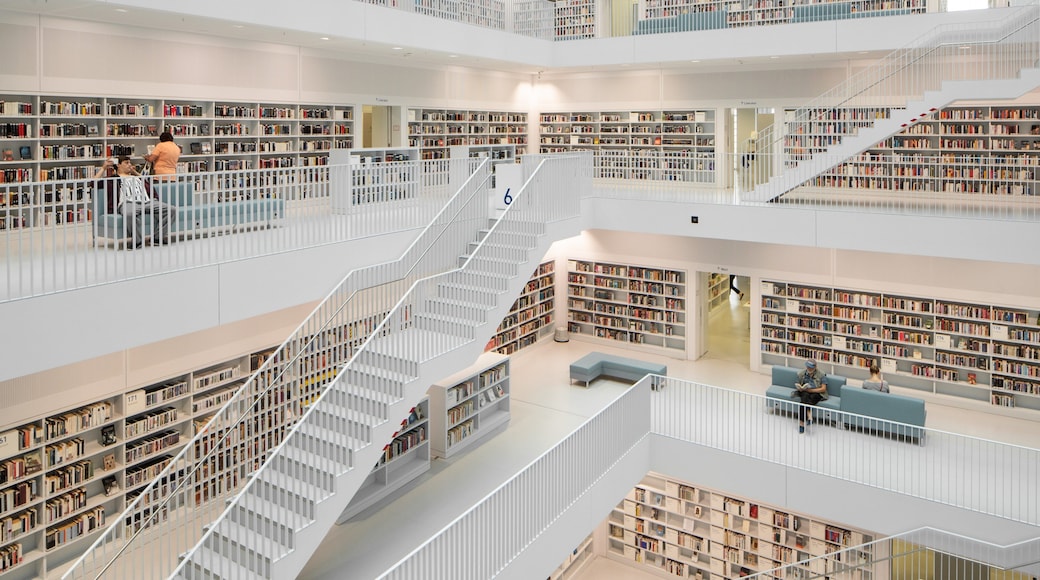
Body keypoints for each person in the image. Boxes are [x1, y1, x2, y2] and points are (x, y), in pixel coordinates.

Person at [93, 156, 175, 248]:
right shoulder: (113, 179)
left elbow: (147, 181)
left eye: (130, 163)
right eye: (126, 163)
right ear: (119, 165)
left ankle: (157, 238)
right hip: (128, 202)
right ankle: (137, 241)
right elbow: (93, 183)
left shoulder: (136, 177)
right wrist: (104, 167)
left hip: (147, 201)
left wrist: (134, 172)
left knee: (171, 209)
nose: (130, 165)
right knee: (129, 213)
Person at [792, 359, 827, 433]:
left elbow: (823, 389)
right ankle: (809, 417)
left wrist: (812, 390)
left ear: (815, 367)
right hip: (805, 391)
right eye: (808, 367)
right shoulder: (801, 373)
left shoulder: (822, 374)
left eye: (811, 368)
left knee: (807, 400)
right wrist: (800, 388)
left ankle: (802, 424)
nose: (809, 369)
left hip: (816, 392)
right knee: (805, 396)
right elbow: (797, 383)